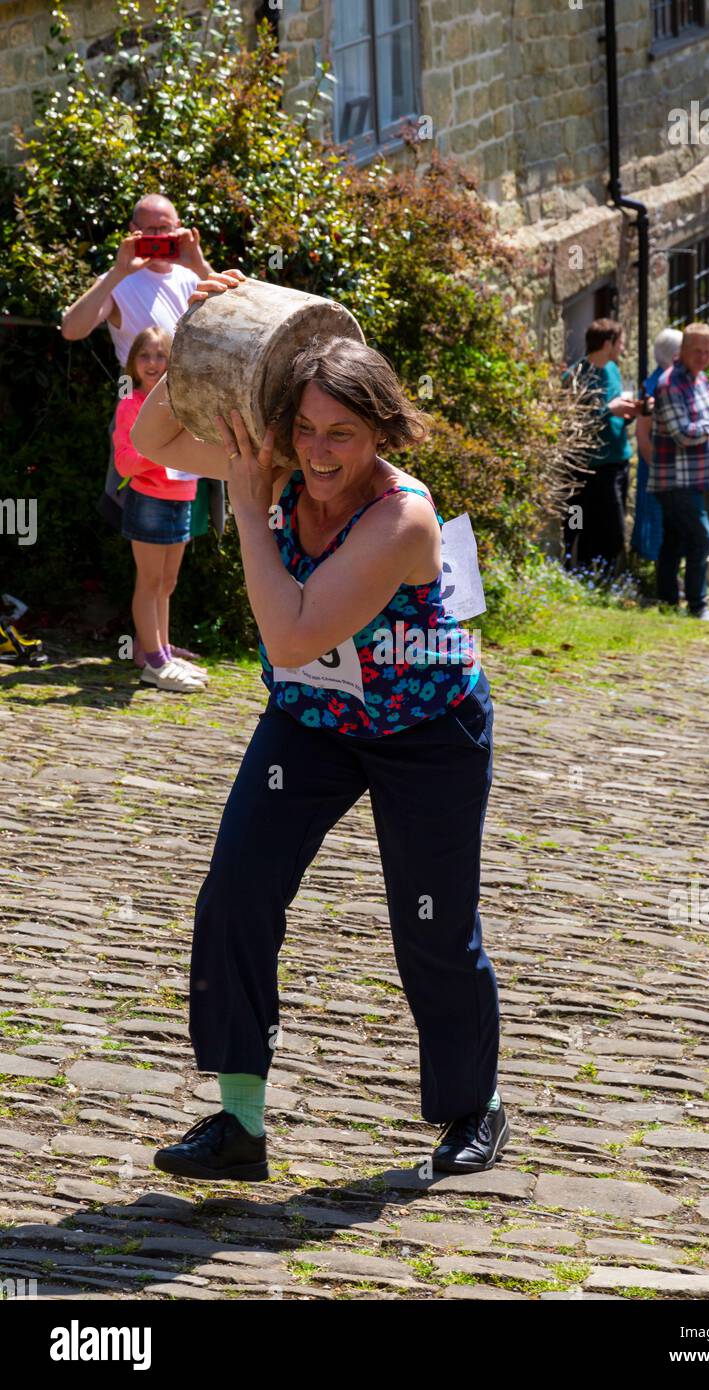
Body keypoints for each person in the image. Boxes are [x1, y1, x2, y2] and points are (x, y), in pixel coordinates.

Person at [130, 268, 507, 1180]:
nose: (319, 450)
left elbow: (293, 632)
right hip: (313, 721)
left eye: (342, 433)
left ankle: (476, 1108)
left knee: (430, 921)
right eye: (304, 428)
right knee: (236, 892)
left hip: (426, 729)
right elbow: (153, 436)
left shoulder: (403, 518)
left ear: (382, 430)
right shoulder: (279, 465)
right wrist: (217, 328)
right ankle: (239, 1122)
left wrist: (246, 506)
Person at [60, 192, 219, 667]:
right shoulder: (120, 280)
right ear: (132, 232)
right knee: (148, 537)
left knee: (174, 544)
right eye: (147, 230)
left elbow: (237, 320)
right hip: (140, 418)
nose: (157, 239)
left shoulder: (192, 276)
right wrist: (117, 270)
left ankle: (159, 644)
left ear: (180, 228)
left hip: (191, 419)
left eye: (165, 229)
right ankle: (149, 650)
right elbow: (71, 328)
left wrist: (197, 260)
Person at [113, 326, 209, 692]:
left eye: (161, 356)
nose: (153, 363)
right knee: (150, 582)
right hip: (149, 502)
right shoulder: (131, 404)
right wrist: (160, 452)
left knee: (167, 584)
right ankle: (154, 663)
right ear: (133, 362)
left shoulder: (184, 404)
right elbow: (125, 462)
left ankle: (164, 653)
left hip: (183, 498)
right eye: (145, 355)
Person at [648, 322, 709, 620]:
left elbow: (703, 423)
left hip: (694, 477)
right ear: (683, 350)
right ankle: (697, 605)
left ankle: (667, 602)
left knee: (675, 540)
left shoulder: (700, 379)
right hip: (676, 479)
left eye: (708, 351)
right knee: (702, 539)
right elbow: (684, 434)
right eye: (697, 351)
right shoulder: (669, 383)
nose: (703, 357)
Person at [561, 318, 640, 575]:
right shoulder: (576, 376)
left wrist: (629, 412)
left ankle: (603, 576)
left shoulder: (613, 370)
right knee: (596, 525)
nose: (623, 348)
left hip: (619, 459)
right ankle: (589, 574)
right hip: (593, 466)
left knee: (614, 527)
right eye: (620, 343)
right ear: (608, 344)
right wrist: (608, 411)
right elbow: (571, 421)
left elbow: (616, 410)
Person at [631, 326, 683, 562]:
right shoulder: (654, 387)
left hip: (668, 467)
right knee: (656, 519)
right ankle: (658, 571)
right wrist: (659, 468)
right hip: (657, 467)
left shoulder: (670, 381)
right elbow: (642, 435)